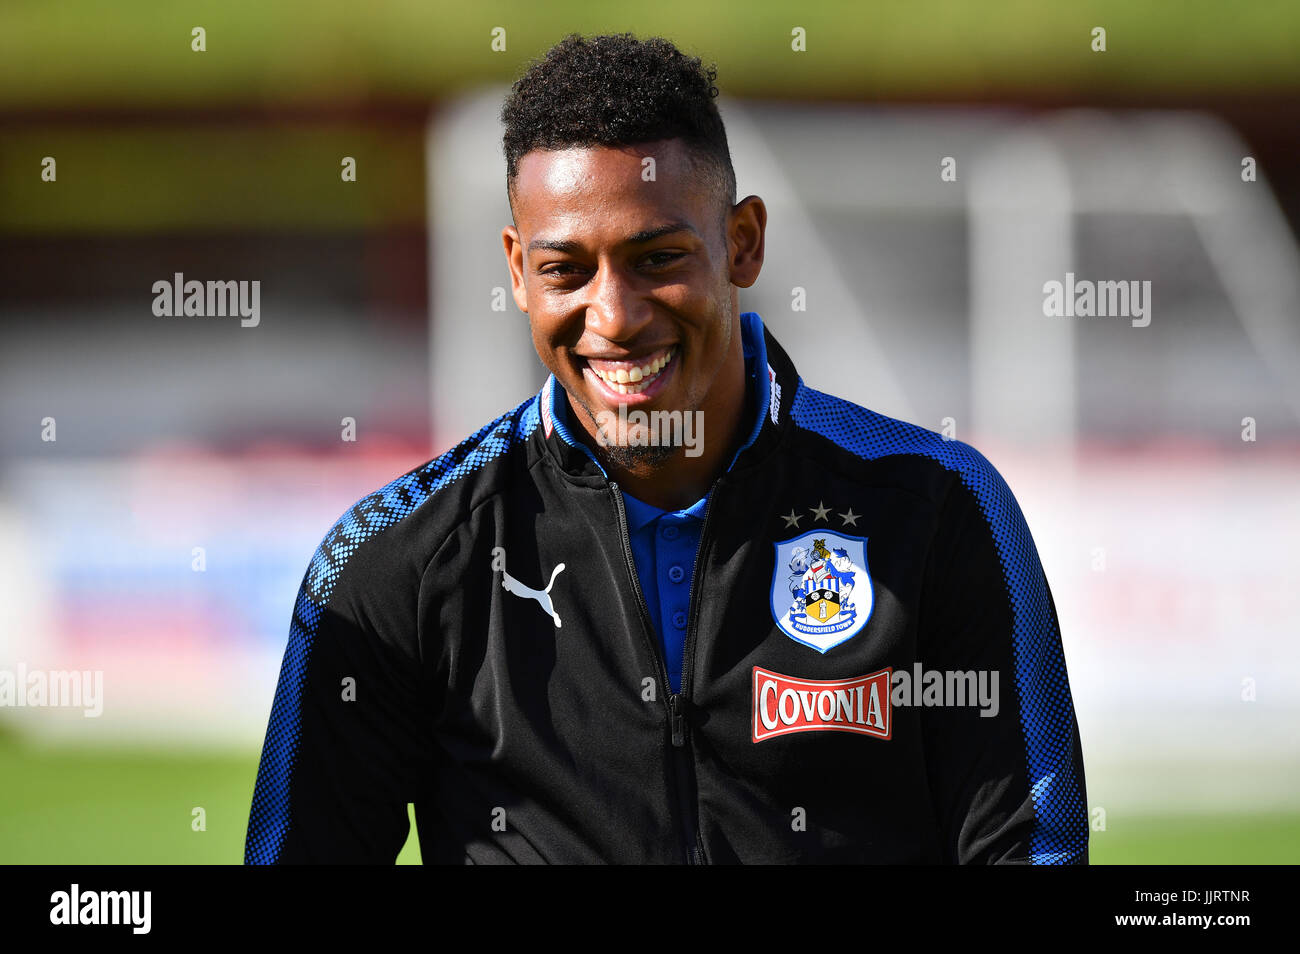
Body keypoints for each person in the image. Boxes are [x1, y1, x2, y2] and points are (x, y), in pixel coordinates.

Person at [245, 32, 1088, 864]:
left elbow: (1029, 851)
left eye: (657, 258)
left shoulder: (938, 506)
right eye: (565, 271)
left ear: (744, 243)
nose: (614, 317)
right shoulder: (398, 558)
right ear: (515, 268)